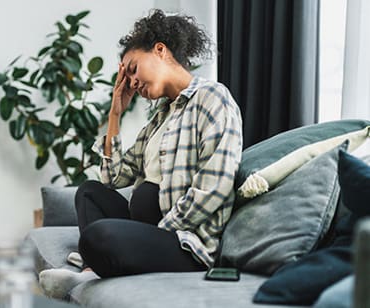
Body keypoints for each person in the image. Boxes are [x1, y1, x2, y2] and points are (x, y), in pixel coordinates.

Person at [39, 9, 243, 299]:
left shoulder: (213, 98)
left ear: (160, 50)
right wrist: (115, 113)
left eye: (132, 69)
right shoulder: (160, 117)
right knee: (88, 192)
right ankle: (94, 267)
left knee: (100, 237)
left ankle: (90, 270)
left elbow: (214, 189)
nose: (132, 83)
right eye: (127, 77)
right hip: (148, 230)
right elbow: (112, 178)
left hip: (182, 242)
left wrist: (162, 231)